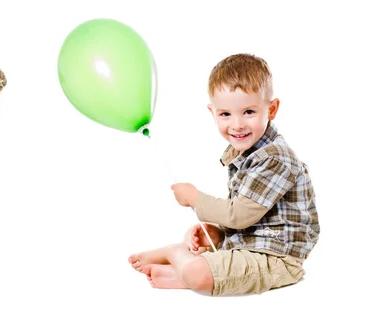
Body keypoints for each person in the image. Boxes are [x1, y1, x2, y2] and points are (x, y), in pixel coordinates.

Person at [128, 53, 320, 296]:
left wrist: (195, 199)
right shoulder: (245, 153)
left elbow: (240, 214)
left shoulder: (274, 158)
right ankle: (185, 271)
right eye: (225, 114)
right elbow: (249, 214)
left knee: (198, 273)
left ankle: (176, 256)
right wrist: (219, 233)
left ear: (271, 109)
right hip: (251, 246)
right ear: (213, 112)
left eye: (249, 112)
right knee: (201, 263)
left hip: (278, 258)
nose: (237, 124)